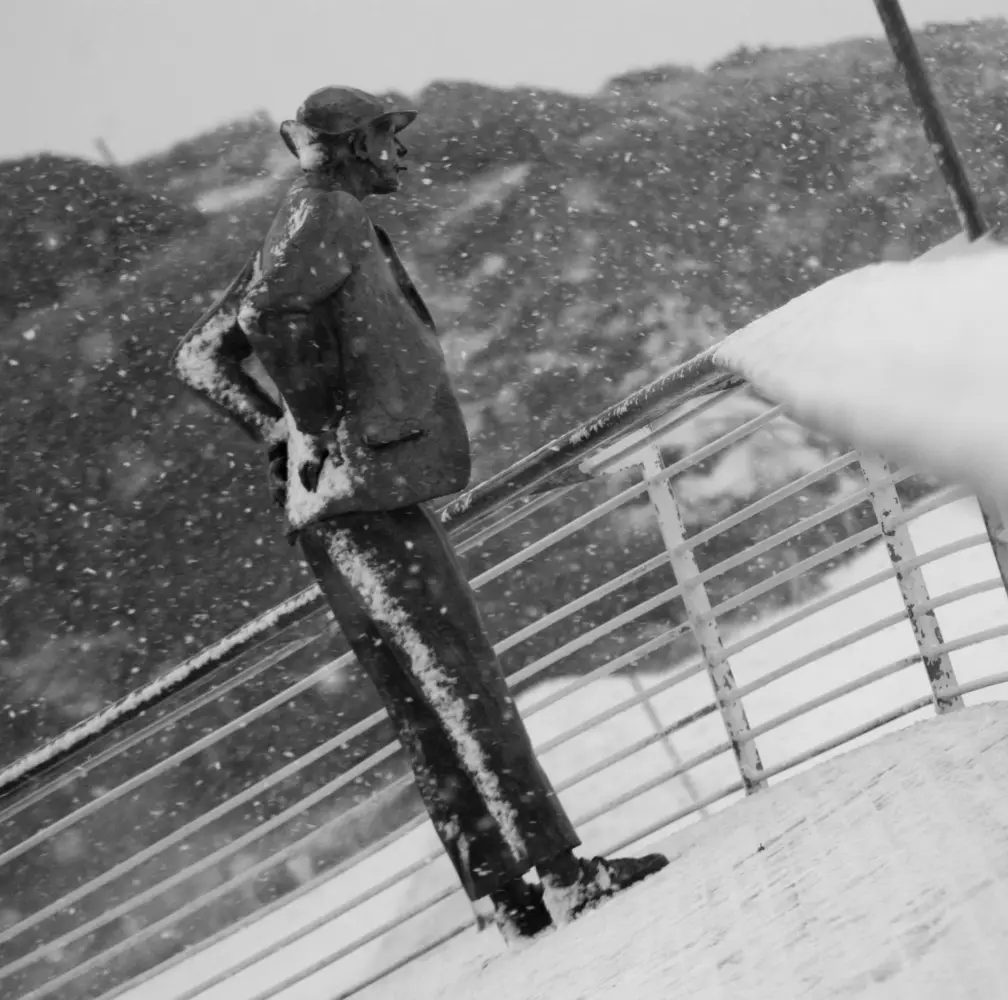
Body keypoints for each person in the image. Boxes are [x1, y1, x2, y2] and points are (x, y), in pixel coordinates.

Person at [171, 86, 667, 941]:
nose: (400, 153)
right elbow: (265, 315)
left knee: (426, 703)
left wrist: (285, 433)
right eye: (387, 137)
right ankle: (561, 878)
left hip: (344, 499)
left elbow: (200, 356)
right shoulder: (323, 214)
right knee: (462, 686)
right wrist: (316, 424)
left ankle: (508, 898)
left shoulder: (304, 223)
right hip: (364, 497)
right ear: (352, 146)